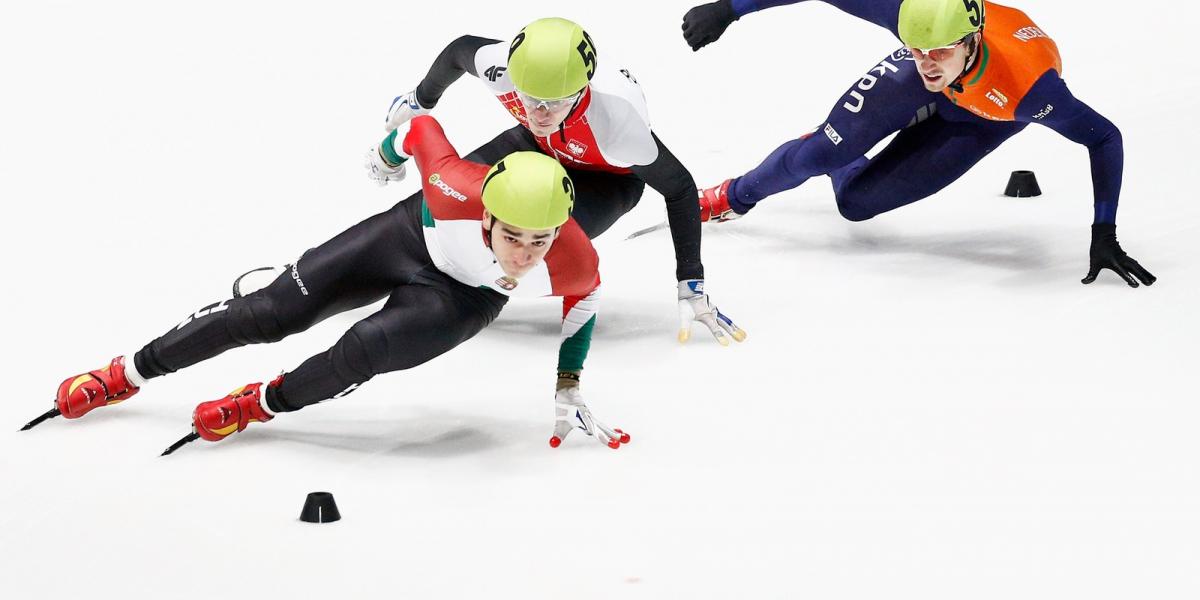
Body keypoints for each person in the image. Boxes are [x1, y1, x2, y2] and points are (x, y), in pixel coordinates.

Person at [24, 116, 630, 452]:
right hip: (405, 236)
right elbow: (419, 127)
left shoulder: (571, 255)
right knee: (267, 313)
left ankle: (259, 403)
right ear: (487, 214)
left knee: (362, 349)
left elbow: (585, 304)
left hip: (462, 297)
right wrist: (387, 153)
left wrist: (569, 387)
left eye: (539, 241)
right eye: (513, 237)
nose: (526, 255)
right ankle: (126, 374)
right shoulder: (451, 184)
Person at [681, 0, 1155, 288]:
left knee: (855, 204)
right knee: (820, 153)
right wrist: (730, 8)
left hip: (989, 114)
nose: (928, 63)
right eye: (917, 49)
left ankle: (843, 154)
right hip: (944, 85)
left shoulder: (1033, 90)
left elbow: (1104, 137)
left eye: (941, 52)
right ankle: (734, 195)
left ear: (971, 42)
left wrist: (1103, 232)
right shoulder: (922, 31)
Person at [368, 17, 748, 343]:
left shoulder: (617, 125)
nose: (540, 112)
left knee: (527, 238)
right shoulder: (501, 67)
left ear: (583, 90)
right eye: (529, 98)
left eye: (556, 102)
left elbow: (679, 188)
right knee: (448, 197)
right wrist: (421, 99)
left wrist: (690, 282)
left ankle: (447, 297)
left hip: (607, 179)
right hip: (540, 146)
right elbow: (459, 49)